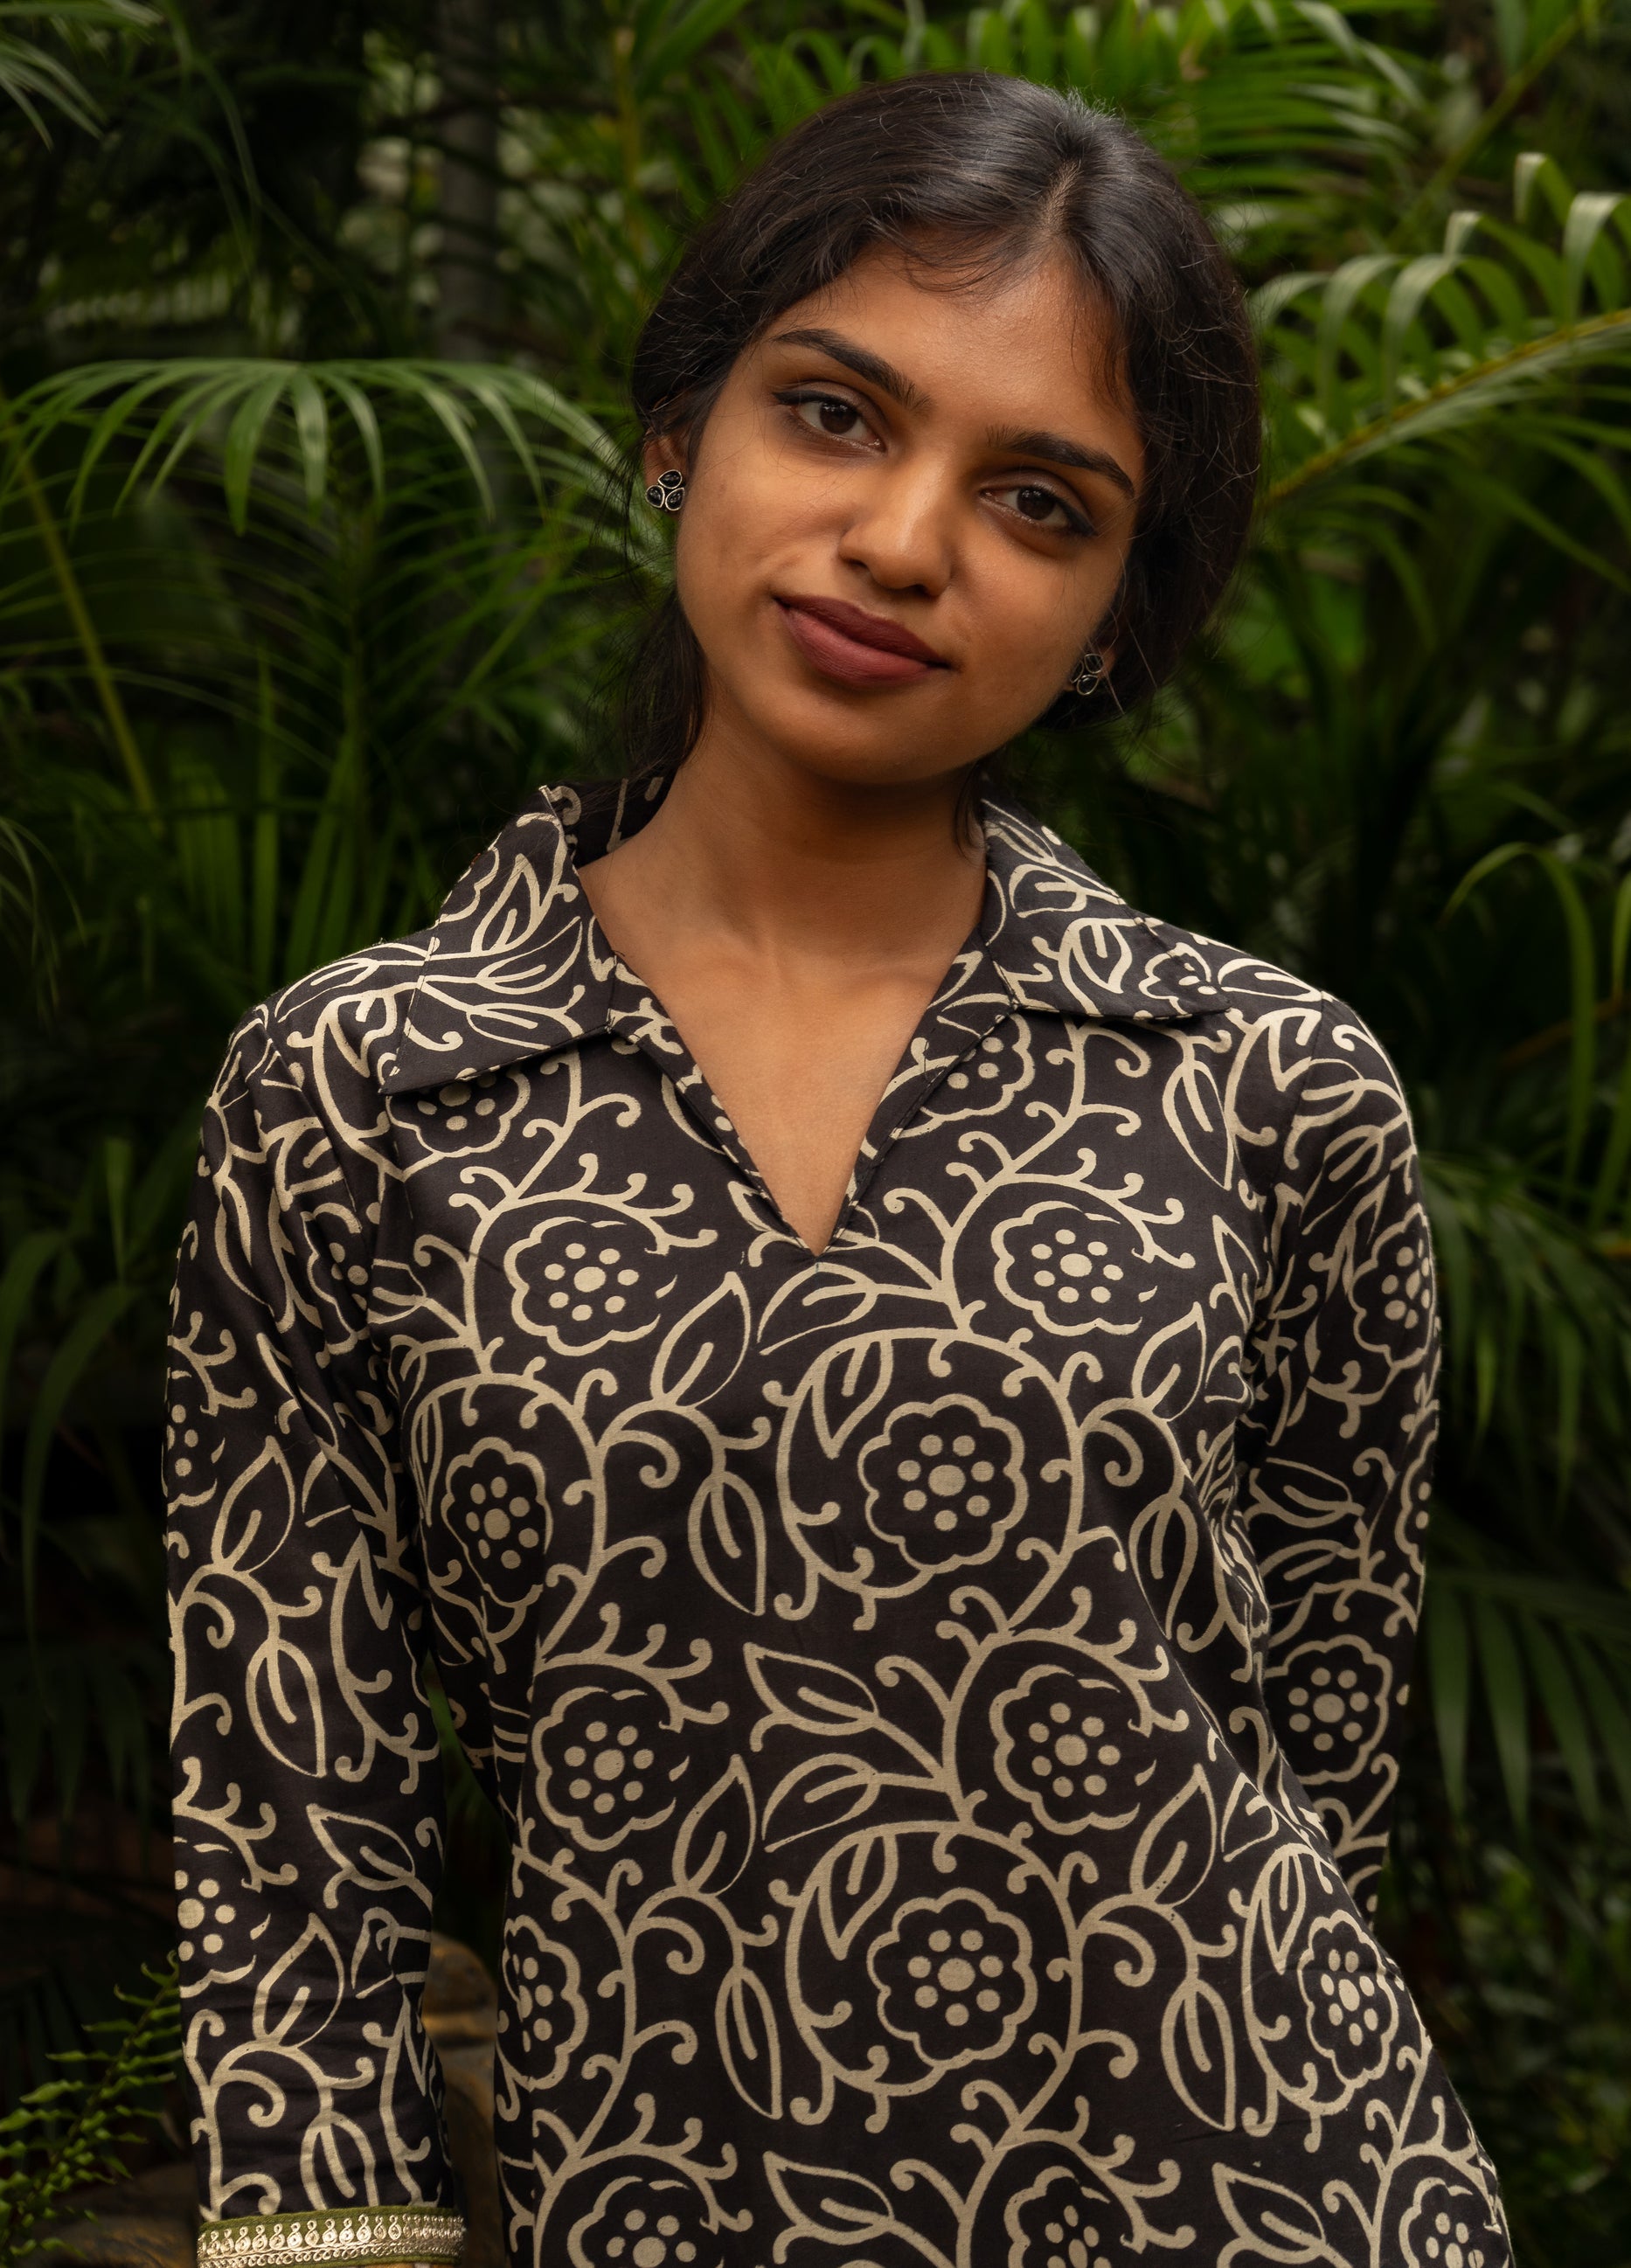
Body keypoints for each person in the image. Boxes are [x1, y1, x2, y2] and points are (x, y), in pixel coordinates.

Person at [166, 71, 1510, 2268]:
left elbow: (1318, 1767)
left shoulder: (1271, 1086)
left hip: (1269, 2201)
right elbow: (297, 1814)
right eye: (839, 415)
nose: (904, 543)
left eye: (1043, 504)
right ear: (679, 420)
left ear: (1115, 616)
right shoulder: (360, 1089)